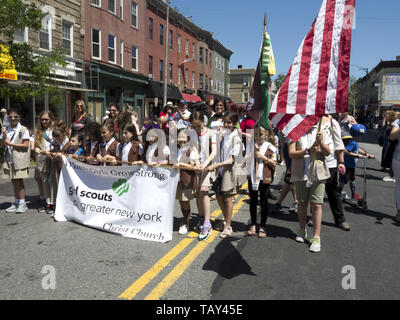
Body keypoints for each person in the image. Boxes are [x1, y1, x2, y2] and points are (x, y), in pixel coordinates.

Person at [288, 122, 331, 253]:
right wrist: (308, 150)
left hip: (318, 173)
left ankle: (316, 237)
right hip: (300, 173)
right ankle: (302, 229)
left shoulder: (322, 130)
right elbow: (292, 153)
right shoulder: (294, 130)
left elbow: (328, 152)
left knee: (317, 205)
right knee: (302, 203)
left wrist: (320, 142)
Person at [206, 112, 242, 239]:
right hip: (220, 169)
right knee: (219, 195)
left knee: (227, 197)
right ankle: (226, 219)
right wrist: (220, 135)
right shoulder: (225, 134)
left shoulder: (236, 138)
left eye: (229, 123)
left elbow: (232, 160)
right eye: (225, 122)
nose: (226, 124)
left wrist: (216, 166)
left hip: (228, 170)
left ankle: (228, 225)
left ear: (235, 124)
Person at [191, 111, 217, 241]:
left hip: (208, 166)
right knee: (198, 193)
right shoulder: (193, 134)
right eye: (194, 126)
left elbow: (214, 152)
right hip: (198, 166)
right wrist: (196, 162)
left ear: (203, 122)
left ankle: (207, 223)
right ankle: (201, 217)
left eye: (198, 126)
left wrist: (205, 164)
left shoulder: (211, 133)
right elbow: (194, 149)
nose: (196, 129)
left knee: (204, 191)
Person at [248, 125, 277, 238]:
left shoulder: (271, 147)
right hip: (253, 176)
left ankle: (263, 225)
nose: (257, 137)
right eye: (255, 134)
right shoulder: (251, 145)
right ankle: (253, 224)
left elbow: (274, 163)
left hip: (265, 177)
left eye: (260, 134)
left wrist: (263, 157)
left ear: (266, 135)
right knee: (253, 201)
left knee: (264, 202)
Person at [1, 109, 30, 214]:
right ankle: (17, 201)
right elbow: (3, 144)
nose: (13, 118)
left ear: (19, 117)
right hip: (9, 159)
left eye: (15, 116)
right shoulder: (6, 129)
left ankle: (22, 203)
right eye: (10, 117)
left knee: (19, 180)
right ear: (7, 118)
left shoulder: (23, 129)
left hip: (19, 158)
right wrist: (4, 135)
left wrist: (11, 144)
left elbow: (26, 145)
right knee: (13, 180)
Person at [172, 129, 200, 235]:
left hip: (186, 179)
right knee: (181, 201)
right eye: (179, 137)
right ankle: (185, 219)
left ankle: (186, 222)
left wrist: (181, 165)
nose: (181, 140)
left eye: (184, 137)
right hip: (177, 179)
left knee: (185, 201)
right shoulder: (175, 149)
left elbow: (195, 166)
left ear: (188, 138)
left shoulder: (191, 150)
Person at [339, 124, 375, 204]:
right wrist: (355, 155)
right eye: (361, 135)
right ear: (358, 135)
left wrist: (366, 154)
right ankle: (337, 195)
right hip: (347, 165)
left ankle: (353, 194)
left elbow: (358, 149)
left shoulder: (354, 142)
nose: (361, 137)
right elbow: (345, 151)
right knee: (343, 181)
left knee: (352, 180)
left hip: (351, 165)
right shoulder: (352, 142)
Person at [34, 110, 57, 214]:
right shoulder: (38, 131)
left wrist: (50, 152)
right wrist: (36, 149)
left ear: (51, 119)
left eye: (46, 119)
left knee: (52, 180)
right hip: (42, 158)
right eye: (42, 119)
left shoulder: (55, 130)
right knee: (44, 180)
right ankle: (48, 201)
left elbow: (58, 145)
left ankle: (54, 202)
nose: (44, 121)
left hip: (52, 157)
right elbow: (35, 146)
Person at [274, 131, 298, 214]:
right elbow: (282, 142)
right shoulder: (286, 123)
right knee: (290, 176)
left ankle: (296, 201)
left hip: (300, 148)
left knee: (292, 177)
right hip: (289, 149)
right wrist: (282, 157)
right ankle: (280, 202)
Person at [388, 117, 400, 222]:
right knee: (399, 186)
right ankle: (399, 212)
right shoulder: (397, 122)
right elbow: (392, 136)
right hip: (399, 158)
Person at [381, 110, 397, 182]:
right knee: (390, 158)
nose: (385, 116)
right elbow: (383, 128)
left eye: (386, 115)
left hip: (391, 143)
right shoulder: (391, 123)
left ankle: (393, 176)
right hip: (387, 142)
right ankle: (392, 175)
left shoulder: (395, 123)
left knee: (392, 159)